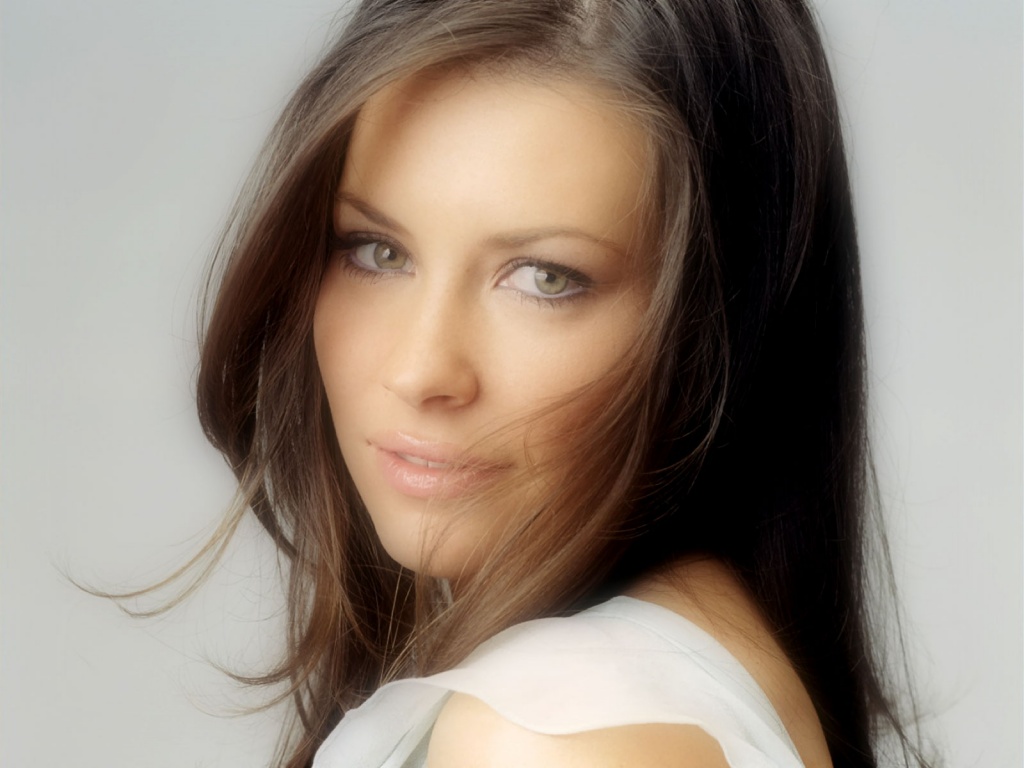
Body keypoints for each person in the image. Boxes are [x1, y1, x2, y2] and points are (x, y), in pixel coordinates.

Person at [184, 1, 932, 766]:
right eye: (377, 251)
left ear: (715, 323)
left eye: (546, 278)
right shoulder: (699, 657)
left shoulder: (553, 732)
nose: (419, 370)